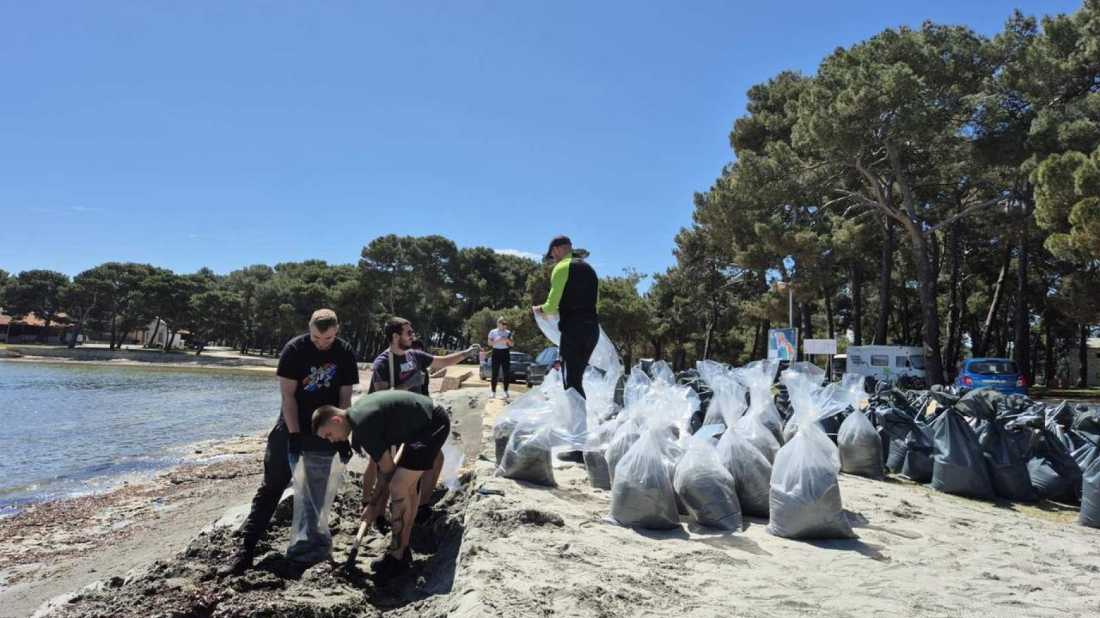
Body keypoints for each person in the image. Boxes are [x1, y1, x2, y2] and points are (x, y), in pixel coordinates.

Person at [219, 309, 359, 576]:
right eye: (317, 337)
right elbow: (288, 397)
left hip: (325, 432)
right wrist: (294, 435)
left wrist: (343, 435)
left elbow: (345, 398)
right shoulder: (294, 349)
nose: (322, 343)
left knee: (315, 494)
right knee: (271, 488)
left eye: (328, 338)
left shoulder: (344, 351)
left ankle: (311, 548)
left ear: (337, 330)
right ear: (309, 328)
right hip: (290, 428)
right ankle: (246, 550)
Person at [312, 390, 450, 581]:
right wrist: (372, 504)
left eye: (328, 435)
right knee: (406, 487)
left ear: (336, 420)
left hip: (431, 424)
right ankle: (402, 551)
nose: (331, 440)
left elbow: (387, 470)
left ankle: (397, 557)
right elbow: (384, 466)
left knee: (397, 486)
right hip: (420, 427)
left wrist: (372, 504)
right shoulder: (357, 418)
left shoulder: (362, 424)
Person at [533, 235, 600, 399]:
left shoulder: (562, 267)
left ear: (556, 250)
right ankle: (578, 421)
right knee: (577, 379)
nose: (553, 260)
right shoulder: (589, 269)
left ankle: (576, 424)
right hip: (592, 329)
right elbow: (597, 303)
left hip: (574, 329)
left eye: (552, 256)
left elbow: (551, 306)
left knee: (570, 381)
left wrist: (539, 309)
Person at [486, 317, 514, 399]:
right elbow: (489, 343)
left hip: (505, 352)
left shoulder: (508, 332)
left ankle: (505, 391)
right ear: (498, 323)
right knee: (495, 373)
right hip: (496, 352)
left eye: (506, 324)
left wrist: (506, 339)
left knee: (506, 373)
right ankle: (493, 392)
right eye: (503, 323)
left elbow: (512, 344)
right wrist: (499, 340)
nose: (505, 325)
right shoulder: (493, 332)